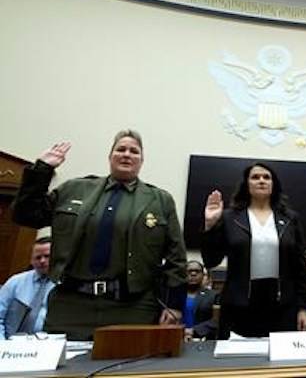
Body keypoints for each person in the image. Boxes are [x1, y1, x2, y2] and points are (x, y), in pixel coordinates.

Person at [12, 130, 187, 340]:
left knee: (126, 369)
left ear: (141, 161)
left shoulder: (159, 200)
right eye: (120, 149)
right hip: (71, 304)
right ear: (110, 156)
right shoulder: (74, 189)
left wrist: (174, 306)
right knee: (65, 370)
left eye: (134, 151)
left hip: (133, 307)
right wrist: (41, 170)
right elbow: (26, 216)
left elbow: (176, 258)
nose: (127, 154)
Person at [201, 163, 306, 338]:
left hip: (282, 306)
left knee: (280, 364)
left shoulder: (290, 218)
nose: (261, 181)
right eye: (255, 177)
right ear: (246, 184)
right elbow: (211, 260)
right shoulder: (230, 217)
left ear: (274, 184)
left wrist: (303, 308)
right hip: (239, 307)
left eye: (267, 177)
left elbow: (300, 269)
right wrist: (210, 225)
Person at [0, 237, 54, 339]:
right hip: (13, 345)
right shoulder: (15, 282)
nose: (42, 261)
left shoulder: (65, 286)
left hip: (51, 345)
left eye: (47, 256)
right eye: (38, 257)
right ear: (31, 260)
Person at [182, 261, 218, 340]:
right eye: (189, 271)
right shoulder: (174, 296)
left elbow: (217, 320)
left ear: (203, 275)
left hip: (203, 340)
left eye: (197, 271)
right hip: (176, 338)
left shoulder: (214, 296)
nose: (193, 274)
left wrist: (193, 331)